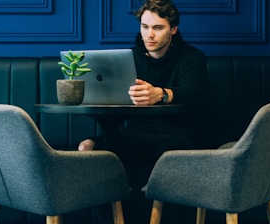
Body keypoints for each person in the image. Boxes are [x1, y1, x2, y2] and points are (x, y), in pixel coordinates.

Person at [82, 0, 207, 223]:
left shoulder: (192, 57)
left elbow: (194, 92)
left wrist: (161, 94)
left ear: (173, 29)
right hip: (136, 136)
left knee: (163, 156)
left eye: (158, 28)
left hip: (177, 137)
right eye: (144, 26)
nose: (149, 35)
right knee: (89, 149)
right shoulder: (129, 59)